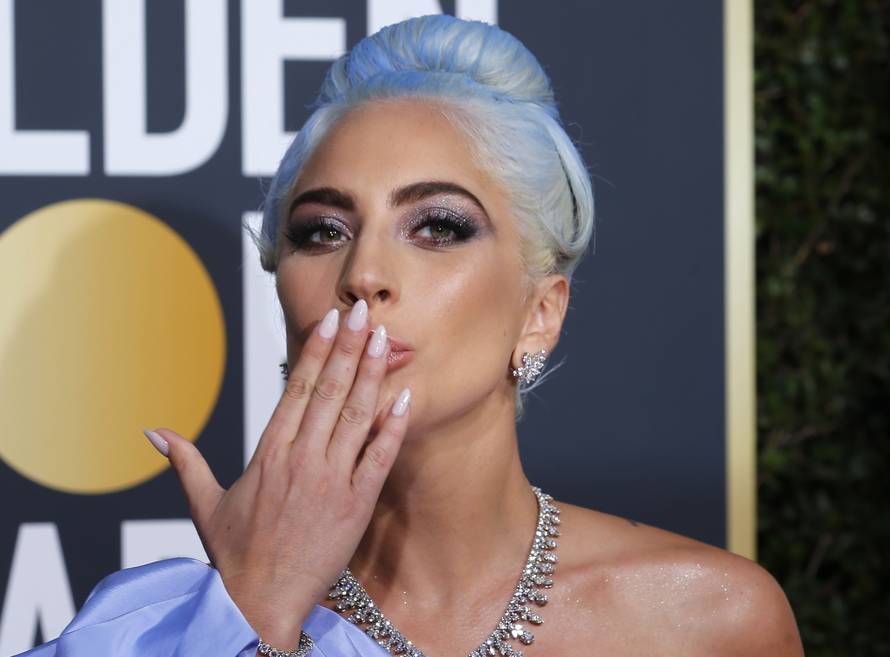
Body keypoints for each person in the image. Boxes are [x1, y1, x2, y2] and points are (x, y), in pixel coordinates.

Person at [16, 13, 804, 657]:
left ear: (542, 311)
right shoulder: (142, 633)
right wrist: (250, 615)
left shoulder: (708, 621)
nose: (365, 273)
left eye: (437, 225)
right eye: (322, 231)